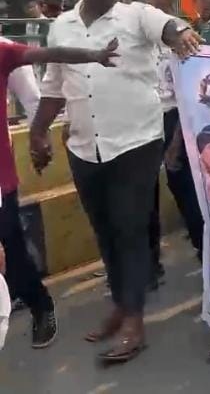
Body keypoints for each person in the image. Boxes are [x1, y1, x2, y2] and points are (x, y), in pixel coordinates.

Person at [29, 0, 201, 364]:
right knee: (105, 231)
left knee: (129, 229)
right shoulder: (62, 27)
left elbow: (168, 26)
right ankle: (122, 306)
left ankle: (134, 322)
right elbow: (54, 85)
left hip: (136, 143)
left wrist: (180, 34)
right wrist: (37, 132)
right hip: (84, 146)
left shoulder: (136, 15)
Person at [0, 32, 121, 349]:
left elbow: (51, 53)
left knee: (11, 247)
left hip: (0, 179)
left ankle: (40, 305)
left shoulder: (3, 51)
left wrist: (94, 55)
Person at [137, 0, 205, 261]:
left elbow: (191, 91)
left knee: (184, 186)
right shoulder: (134, 33)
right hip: (143, 119)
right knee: (142, 193)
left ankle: (205, 250)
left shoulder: (183, 33)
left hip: (176, 117)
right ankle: (149, 260)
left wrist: (177, 138)